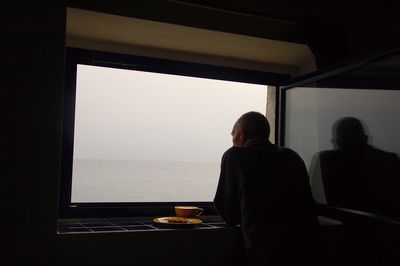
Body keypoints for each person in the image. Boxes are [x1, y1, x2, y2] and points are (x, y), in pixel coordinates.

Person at [214, 112, 321, 266]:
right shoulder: (292, 156)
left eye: (233, 137)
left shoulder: (236, 155)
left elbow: (229, 214)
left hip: (267, 253)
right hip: (308, 248)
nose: (233, 142)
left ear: (242, 136)